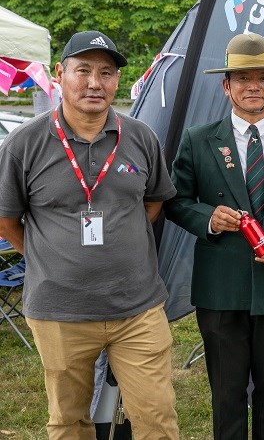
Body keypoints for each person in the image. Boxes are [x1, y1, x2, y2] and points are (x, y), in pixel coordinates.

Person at [0, 30, 179, 439]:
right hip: (59, 310)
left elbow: (154, 203)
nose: (95, 83)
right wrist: (47, 256)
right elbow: (6, 219)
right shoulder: (23, 144)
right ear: (59, 74)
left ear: (117, 80)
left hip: (137, 308)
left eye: (106, 72)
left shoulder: (140, 137)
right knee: (68, 421)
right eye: (83, 71)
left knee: (157, 418)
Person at [164, 33, 264, 439]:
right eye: (242, 78)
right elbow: (175, 201)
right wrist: (209, 218)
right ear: (226, 85)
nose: (252, 86)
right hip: (221, 288)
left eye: (261, 77)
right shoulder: (199, 140)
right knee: (227, 394)